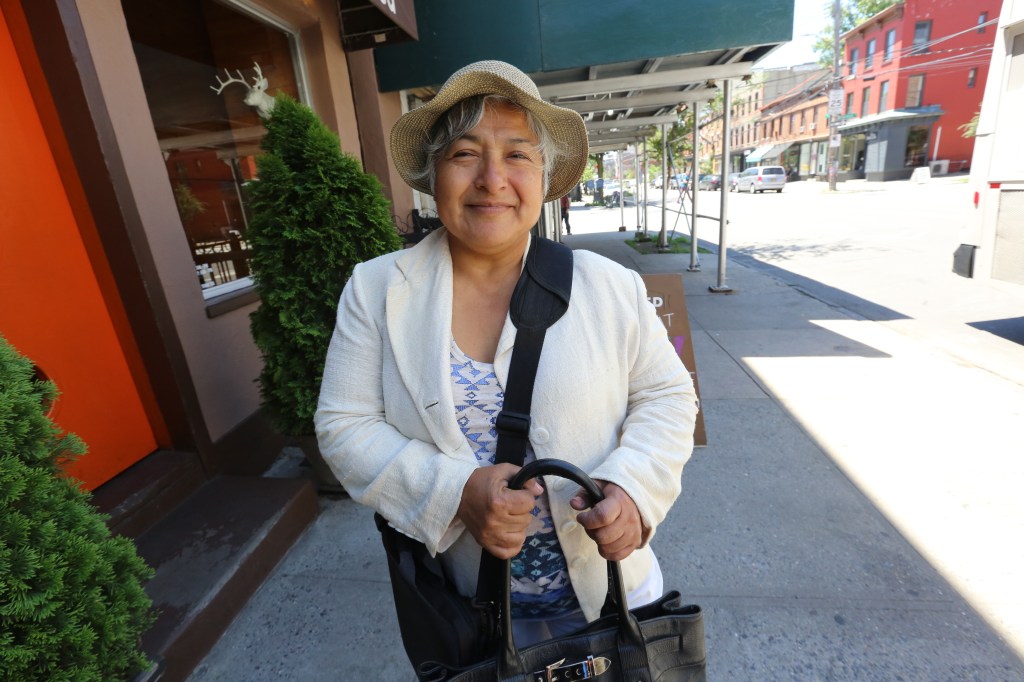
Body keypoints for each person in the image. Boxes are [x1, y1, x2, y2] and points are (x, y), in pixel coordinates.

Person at [315, 60, 698, 652]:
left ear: (544, 176)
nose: (492, 179)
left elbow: (667, 395)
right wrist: (454, 491)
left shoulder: (609, 285)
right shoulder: (375, 289)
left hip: (615, 595)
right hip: (472, 609)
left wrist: (633, 488)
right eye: (465, 154)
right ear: (433, 175)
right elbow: (344, 425)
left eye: (518, 154)